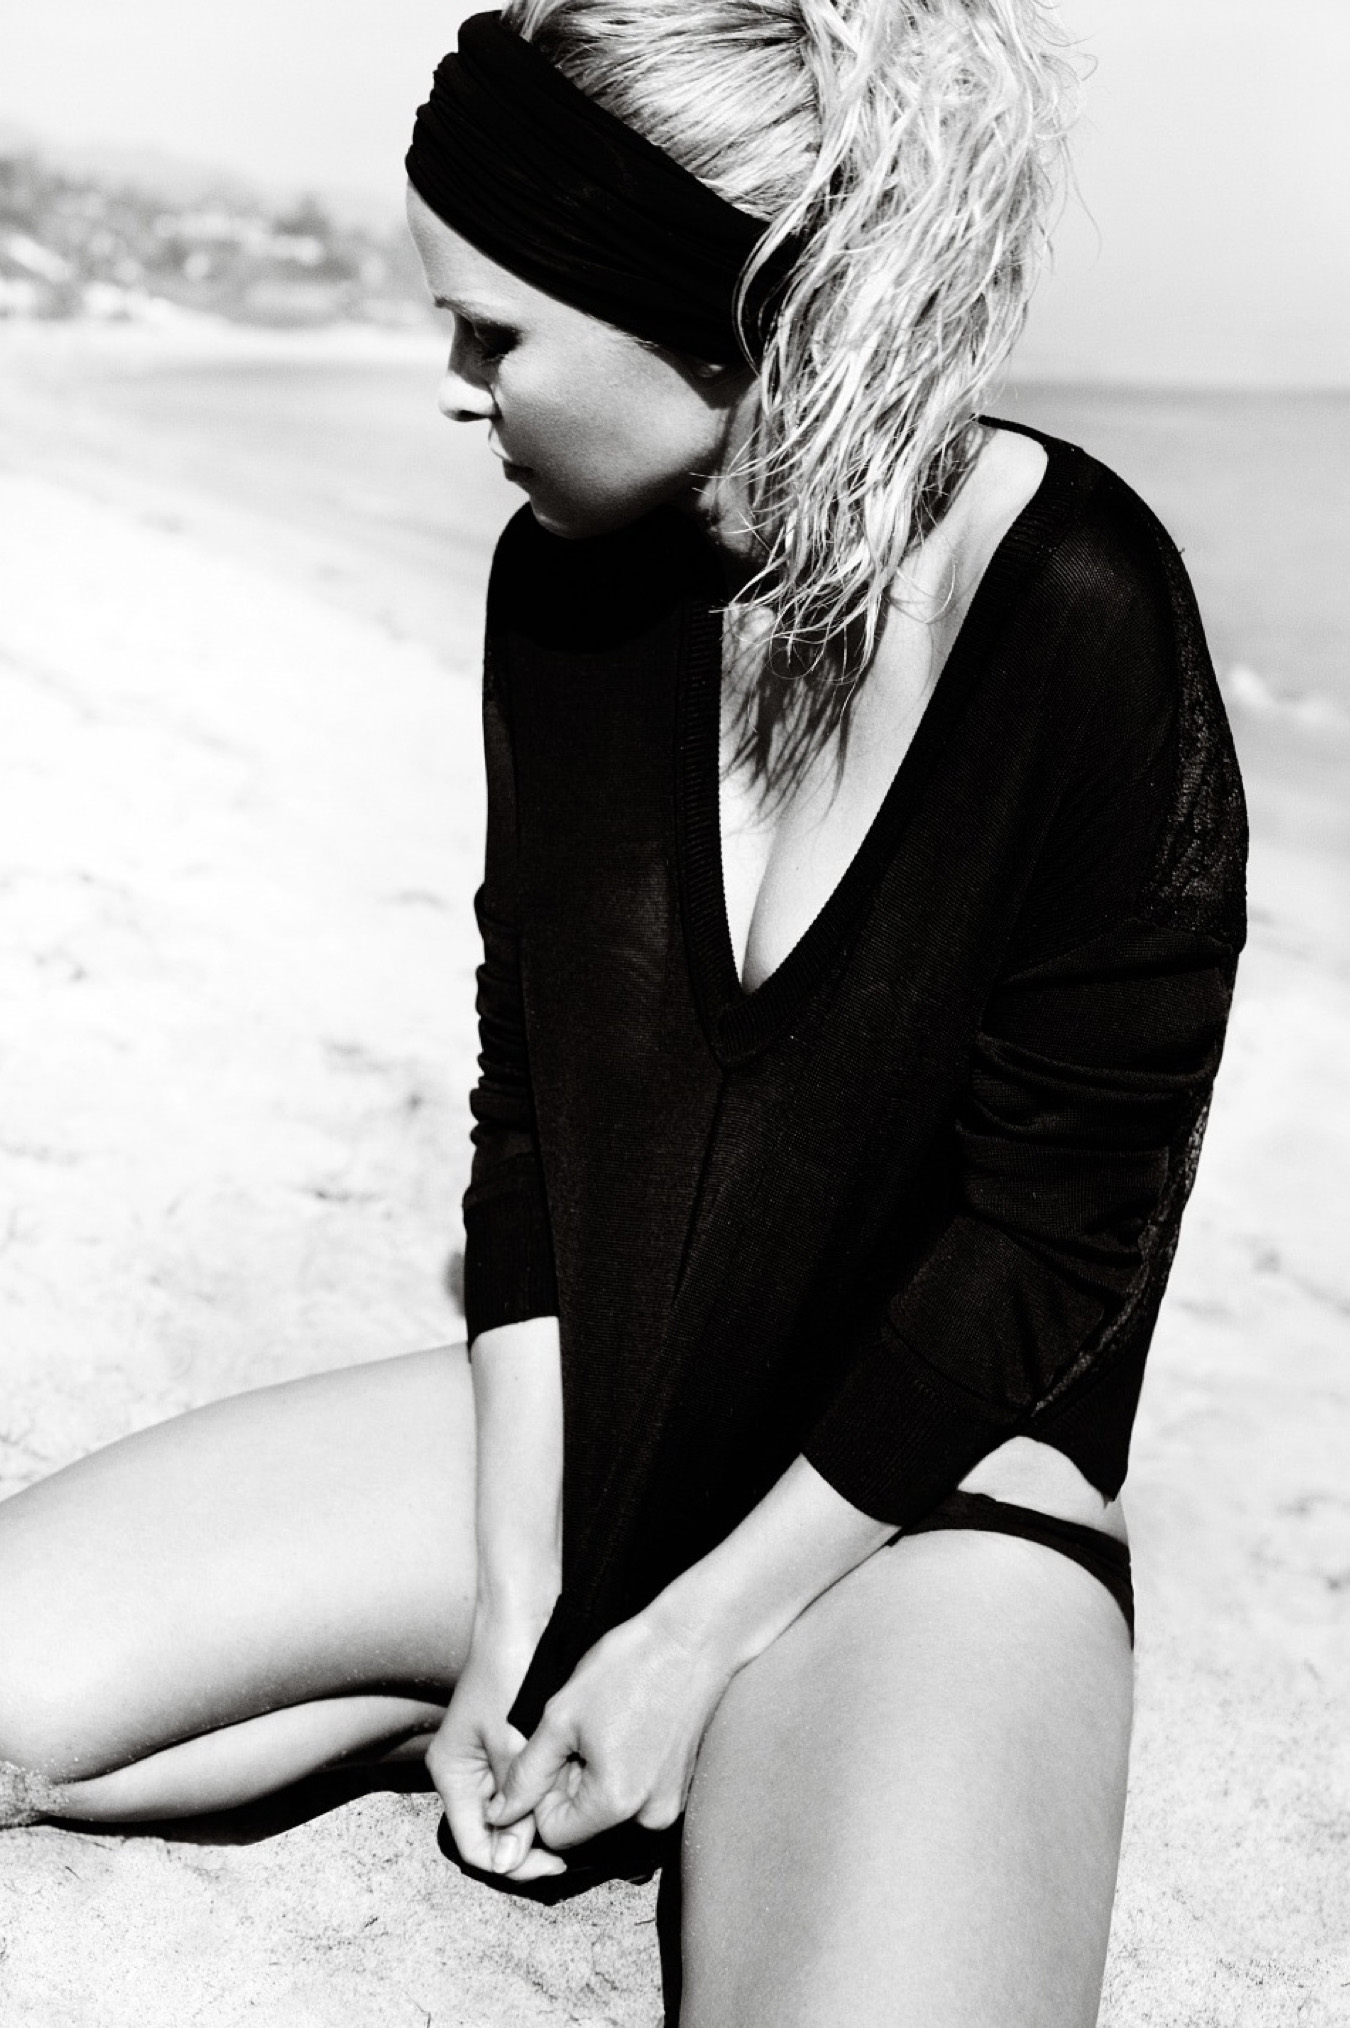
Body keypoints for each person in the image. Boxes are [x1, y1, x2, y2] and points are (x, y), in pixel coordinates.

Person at [0, 3, 1246, 2021]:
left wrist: (686, 1642)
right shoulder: (562, 589)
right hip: (597, 1422)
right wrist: (522, 1592)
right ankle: (499, 1685)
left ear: (724, 323)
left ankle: (763, 1749)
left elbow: (1059, 1237)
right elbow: (528, 1111)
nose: (453, 388)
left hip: (914, 1508)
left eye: (493, 336)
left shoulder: (1080, 608)